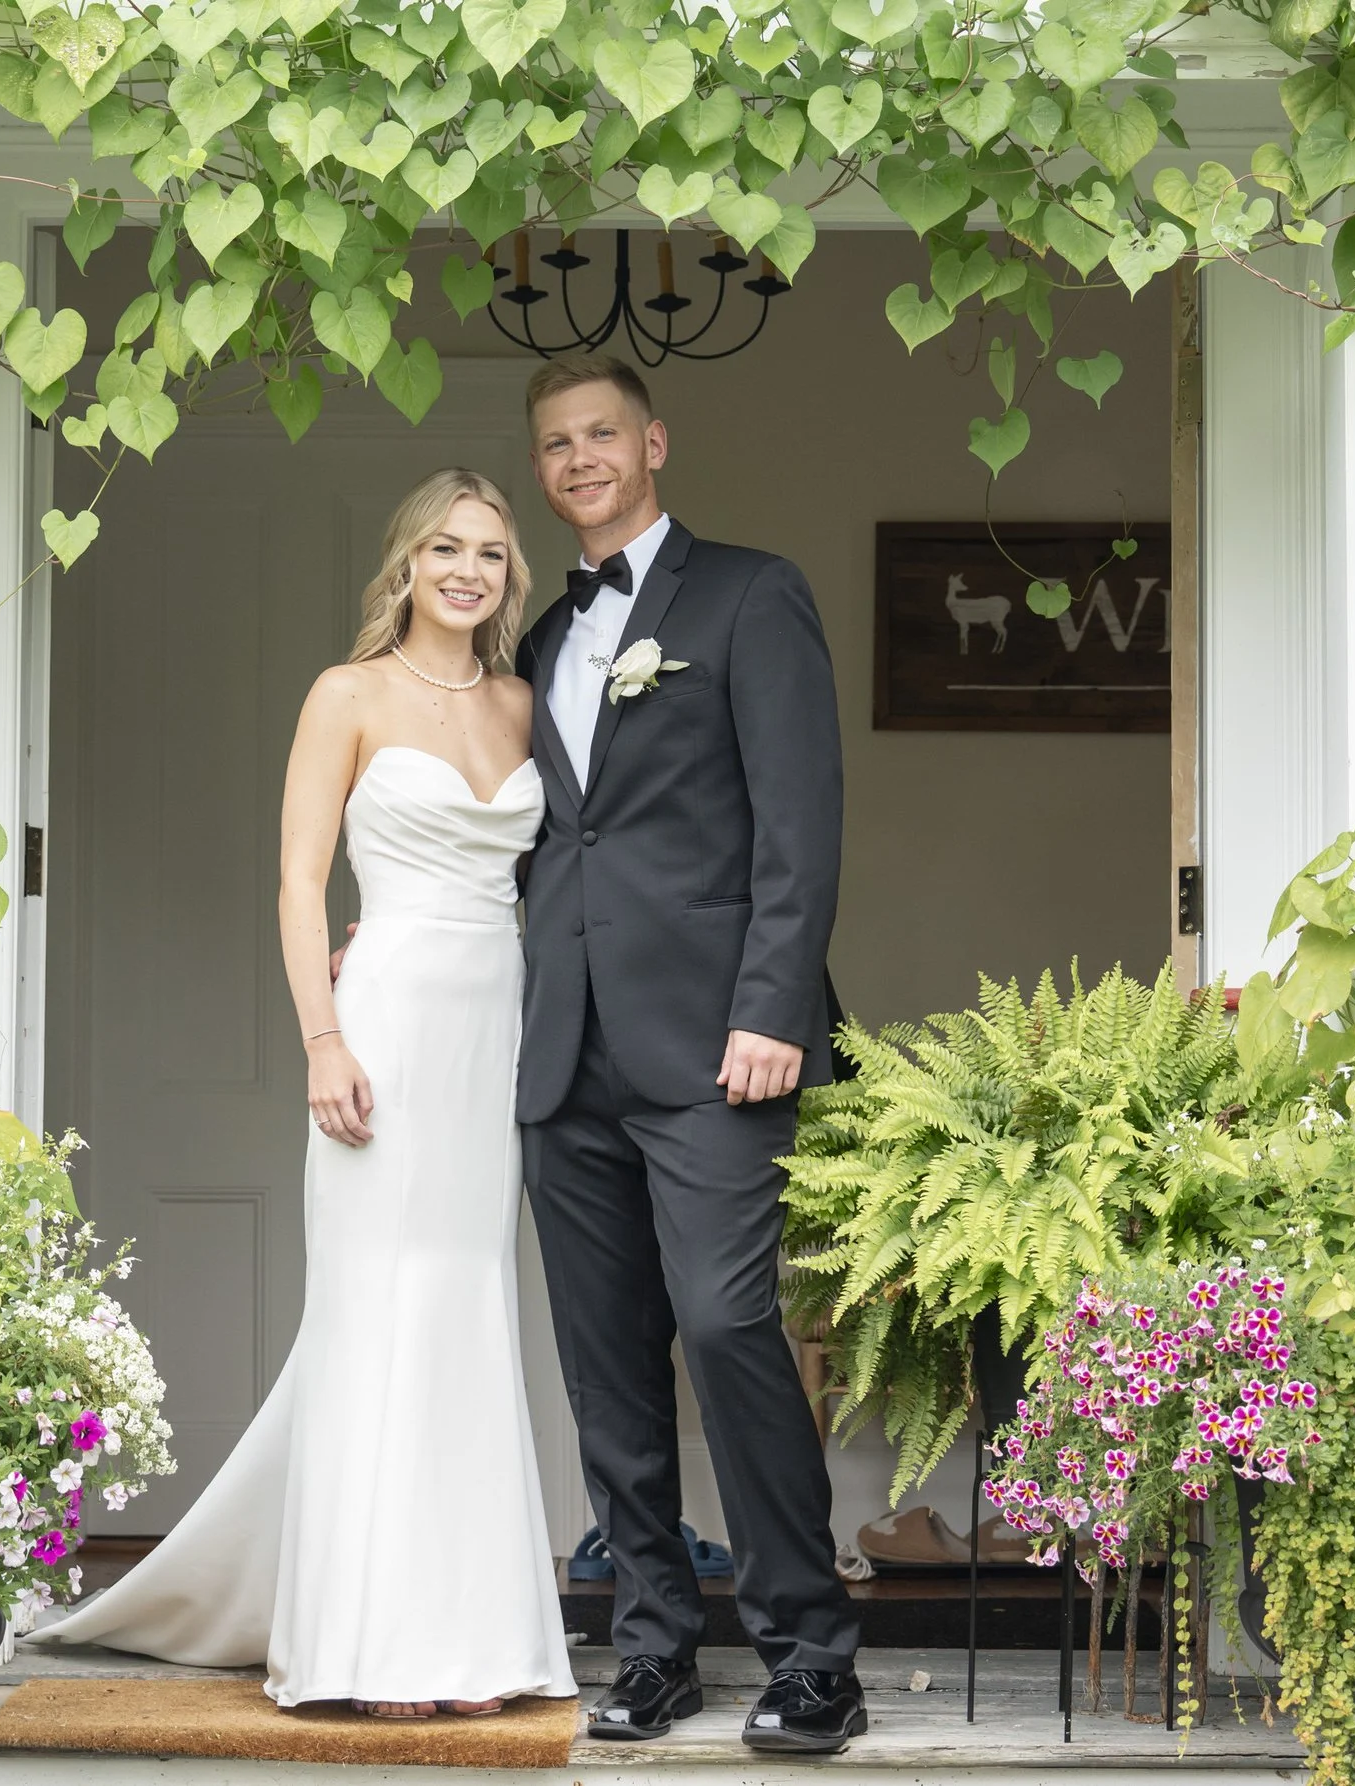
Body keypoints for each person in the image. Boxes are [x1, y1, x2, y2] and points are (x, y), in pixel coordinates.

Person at [33, 468, 577, 1719]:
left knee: (467, 1307)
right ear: (403, 562)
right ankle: (369, 1643)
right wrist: (322, 1037)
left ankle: (472, 1639)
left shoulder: (522, 703)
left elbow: (569, 873)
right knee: (378, 1311)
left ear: (511, 576)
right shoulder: (346, 694)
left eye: (490, 553)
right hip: (380, 1014)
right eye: (444, 547)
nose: (467, 571)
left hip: (495, 1023)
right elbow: (295, 883)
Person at [512, 354, 864, 1754]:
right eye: (555, 443)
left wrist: (773, 1005)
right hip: (564, 1056)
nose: (581, 457)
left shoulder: (749, 594)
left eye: (602, 432)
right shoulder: (541, 634)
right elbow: (541, 842)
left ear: (654, 442)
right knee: (606, 1361)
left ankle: (809, 1648)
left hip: (721, 1045)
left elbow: (801, 819)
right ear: (542, 468)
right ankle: (653, 1640)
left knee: (724, 1327)